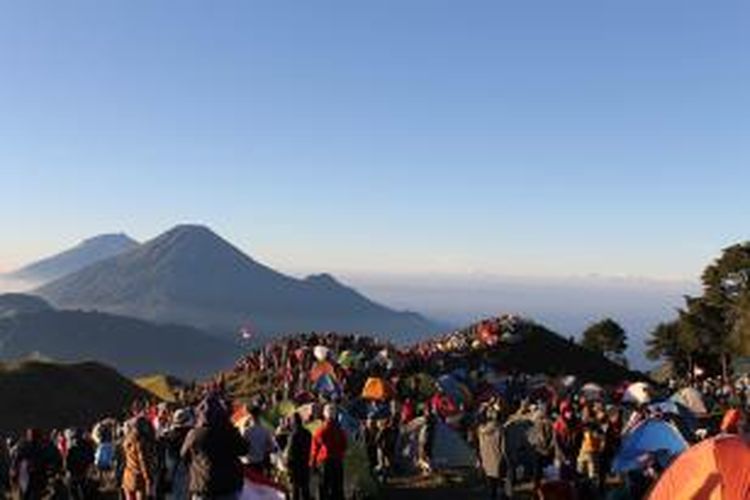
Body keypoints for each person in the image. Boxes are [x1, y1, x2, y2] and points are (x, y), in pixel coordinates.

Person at [181, 396, 248, 500]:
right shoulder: (229, 431)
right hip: (228, 486)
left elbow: (184, 455)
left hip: (203, 486)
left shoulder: (194, 434)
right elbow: (244, 450)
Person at [11, 428, 63, 500]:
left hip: (38, 480)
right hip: (31, 480)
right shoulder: (24, 447)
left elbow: (57, 462)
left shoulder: (45, 446)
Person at [310, 404, 347, 500]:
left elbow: (315, 448)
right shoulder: (340, 430)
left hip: (324, 461)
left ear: (325, 415)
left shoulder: (321, 430)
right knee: (338, 488)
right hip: (337, 461)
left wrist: (312, 463)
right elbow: (344, 446)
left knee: (324, 488)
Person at [122, 416, 160, 500]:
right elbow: (143, 462)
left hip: (127, 476)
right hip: (139, 479)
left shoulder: (128, 439)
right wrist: (148, 480)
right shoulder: (141, 442)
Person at [242, 406, 276, 475]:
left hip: (250, 462)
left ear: (251, 417)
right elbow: (271, 447)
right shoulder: (265, 430)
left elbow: (243, 447)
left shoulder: (247, 432)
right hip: (262, 463)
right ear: (259, 416)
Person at [477, 408, 503, 500]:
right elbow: (503, 446)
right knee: (499, 484)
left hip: (485, 459)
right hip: (497, 458)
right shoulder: (500, 428)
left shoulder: (480, 430)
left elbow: (479, 445)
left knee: (490, 485)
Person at [285, 413, 312, 500]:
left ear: (293, 423)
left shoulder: (293, 435)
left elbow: (290, 453)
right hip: (305, 464)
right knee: (305, 490)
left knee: (295, 491)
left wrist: (288, 466)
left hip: (295, 467)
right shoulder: (308, 433)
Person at [64, 428, 95, 500]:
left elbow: (67, 462)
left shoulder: (71, 447)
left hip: (74, 473)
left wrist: (68, 470)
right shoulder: (87, 445)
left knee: (74, 493)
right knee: (85, 491)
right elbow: (92, 458)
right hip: (85, 471)